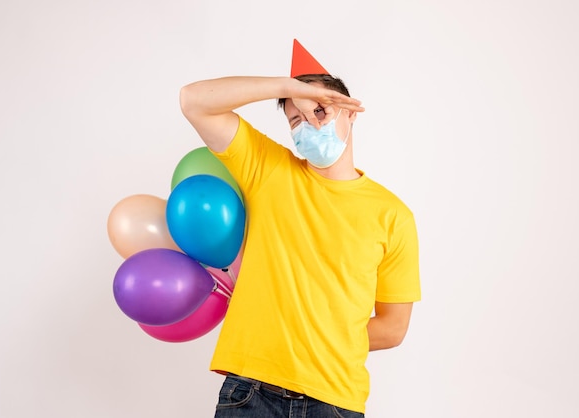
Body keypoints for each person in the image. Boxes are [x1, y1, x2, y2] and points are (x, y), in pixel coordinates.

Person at [179, 40, 421, 417]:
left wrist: (315, 338)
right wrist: (289, 89)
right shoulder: (268, 169)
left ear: (351, 112)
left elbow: (393, 327)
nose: (309, 124)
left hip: (335, 401)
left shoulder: (393, 216)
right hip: (251, 391)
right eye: (295, 120)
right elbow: (193, 100)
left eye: (320, 110)